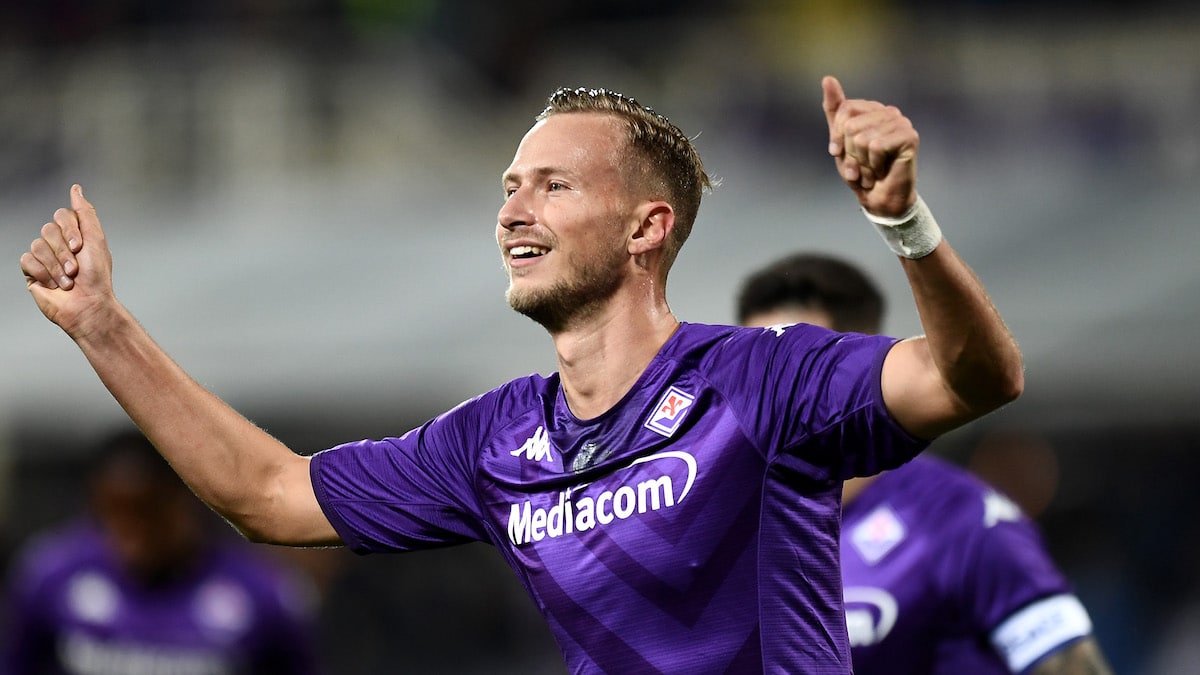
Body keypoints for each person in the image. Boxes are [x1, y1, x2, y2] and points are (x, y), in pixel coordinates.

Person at [19, 76, 1024, 673]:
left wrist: (906, 226)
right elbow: (269, 495)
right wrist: (101, 327)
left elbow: (973, 378)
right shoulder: (495, 441)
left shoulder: (761, 381)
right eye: (508, 187)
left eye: (552, 185)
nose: (512, 210)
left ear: (646, 227)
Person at [736, 252, 1113, 674]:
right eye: (765, 371)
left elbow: (1073, 665)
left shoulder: (958, 518)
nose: (778, 392)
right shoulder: (730, 525)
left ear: (856, 369)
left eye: (804, 371)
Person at [0, 427, 319, 674]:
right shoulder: (52, 574)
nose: (130, 535)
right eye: (112, 515)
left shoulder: (262, 593)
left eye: (146, 515)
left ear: (187, 501)